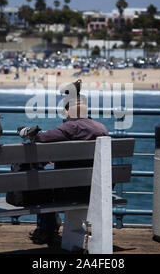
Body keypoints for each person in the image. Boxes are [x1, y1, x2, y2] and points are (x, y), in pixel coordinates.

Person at [22, 94, 109, 247]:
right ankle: (46, 229)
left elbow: (41, 138)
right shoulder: (101, 128)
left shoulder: (71, 127)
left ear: (68, 110)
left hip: (71, 190)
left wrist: (27, 132)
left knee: (43, 180)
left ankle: (45, 230)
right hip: (97, 189)